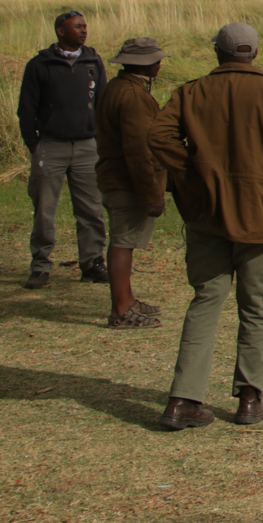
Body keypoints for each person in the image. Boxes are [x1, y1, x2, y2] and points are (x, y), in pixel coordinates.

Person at [150, 23, 263, 431]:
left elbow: (158, 135)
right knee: (257, 309)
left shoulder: (191, 92)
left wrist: (192, 177)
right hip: (262, 219)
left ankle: (183, 400)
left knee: (205, 303)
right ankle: (251, 399)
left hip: (208, 217)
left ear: (217, 53)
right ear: (254, 53)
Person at [16, 9, 109, 290]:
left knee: (91, 210)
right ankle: (41, 266)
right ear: (60, 30)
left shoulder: (93, 62)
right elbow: (26, 109)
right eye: (77, 26)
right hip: (51, 147)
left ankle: (92, 263)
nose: (83, 31)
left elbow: (103, 104)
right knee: (45, 210)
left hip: (86, 147)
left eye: (85, 26)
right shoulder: (40, 64)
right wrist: (35, 145)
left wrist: (101, 141)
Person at [96, 36, 169, 328]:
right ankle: (121, 310)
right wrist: (151, 193)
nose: (160, 65)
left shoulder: (116, 87)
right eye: (157, 60)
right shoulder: (133, 96)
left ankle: (126, 300)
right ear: (148, 65)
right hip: (127, 182)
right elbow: (139, 149)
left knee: (122, 241)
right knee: (123, 243)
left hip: (115, 177)